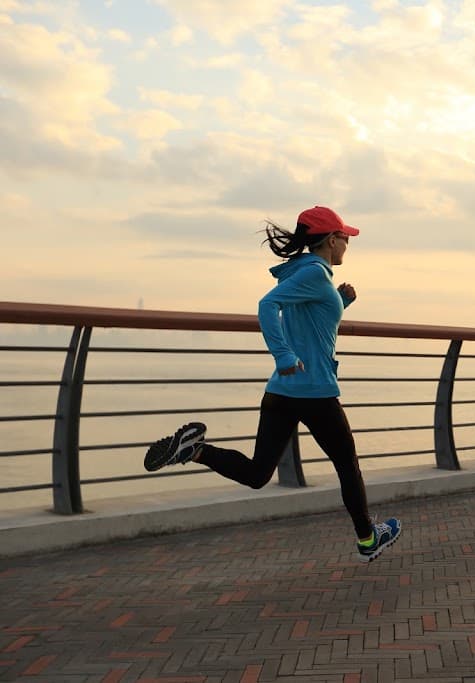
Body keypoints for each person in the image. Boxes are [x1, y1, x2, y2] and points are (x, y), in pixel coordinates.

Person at [143, 205, 401, 563]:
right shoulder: (313, 272)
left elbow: (310, 326)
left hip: (282, 391)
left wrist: (340, 301)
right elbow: (266, 305)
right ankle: (368, 539)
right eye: (345, 238)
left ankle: (195, 450)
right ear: (331, 240)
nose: (348, 245)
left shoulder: (309, 275)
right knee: (347, 466)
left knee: (257, 474)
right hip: (315, 393)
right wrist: (282, 355)